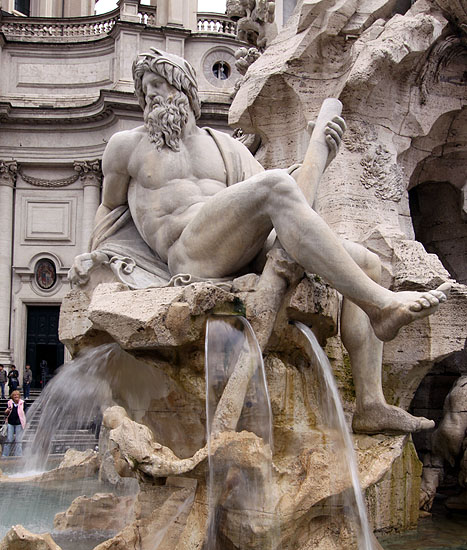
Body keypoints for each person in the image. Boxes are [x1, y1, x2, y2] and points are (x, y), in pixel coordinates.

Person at [69, 48, 450, 435]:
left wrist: (321, 159)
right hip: (188, 253)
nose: (150, 95)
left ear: (184, 90)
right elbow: (110, 210)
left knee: (369, 264)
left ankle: (370, 403)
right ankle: (382, 306)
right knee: (275, 184)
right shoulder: (127, 146)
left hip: (240, 250)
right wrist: (95, 262)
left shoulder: (223, 147)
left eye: (158, 85)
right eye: (144, 89)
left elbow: (291, 206)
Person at [3, 389, 26, 457]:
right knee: (9, 439)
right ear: (12, 396)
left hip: (19, 423)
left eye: (17, 395)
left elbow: (25, 412)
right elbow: (5, 412)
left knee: (18, 440)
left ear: (19, 396)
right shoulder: (9, 403)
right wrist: (6, 411)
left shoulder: (22, 403)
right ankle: (5, 454)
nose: (16, 396)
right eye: (15, 395)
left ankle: (18, 455)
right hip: (10, 423)